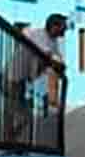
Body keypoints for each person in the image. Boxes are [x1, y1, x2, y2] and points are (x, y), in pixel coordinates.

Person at [5, 14, 68, 144]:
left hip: (23, 79)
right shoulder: (40, 35)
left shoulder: (53, 41)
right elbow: (47, 57)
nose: (65, 29)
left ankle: (12, 141)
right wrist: (57, 65)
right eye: (63, 26)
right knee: (17, 112)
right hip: (14, 76)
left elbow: (57, 58)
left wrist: (60, 66)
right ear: (54, 26)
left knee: (23, 115)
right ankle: (10, 141)